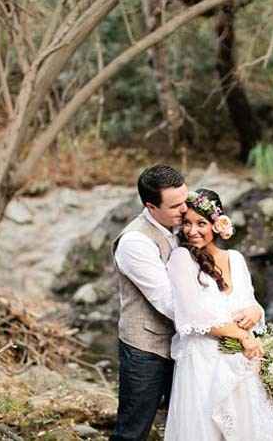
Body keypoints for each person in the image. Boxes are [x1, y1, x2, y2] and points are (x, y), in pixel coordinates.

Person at [164, 188, 273, 441]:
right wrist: (243, 337)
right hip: (203, 362)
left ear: (217, 224)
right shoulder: (181, 259)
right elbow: (192, 315)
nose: (192, 231)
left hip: (241, 362)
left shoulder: (235, 259)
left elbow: (250, 301)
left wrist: (255, 311)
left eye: (201, 223)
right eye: (187, 224)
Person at [110, 164, 188, 441]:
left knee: (186, 421)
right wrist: (217, 324)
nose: (184, 210)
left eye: (185, 201)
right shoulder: (135, 242)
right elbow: (167, 301)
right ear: (150, 207)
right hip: (146, 348)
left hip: (184, 343)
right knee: (133, 430)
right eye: (175, 206)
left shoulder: (183, 225)